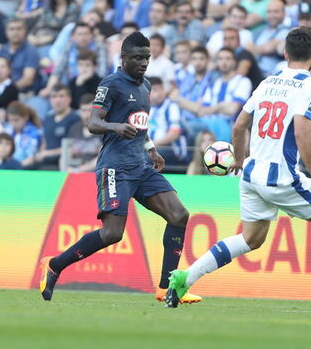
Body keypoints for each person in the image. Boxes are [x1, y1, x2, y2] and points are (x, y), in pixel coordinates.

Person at [166, 26, 311, 311]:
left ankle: (185, 278)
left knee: (251, 238)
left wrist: (239, 161)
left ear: (286, 53)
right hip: (282, 178)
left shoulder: (268, 82)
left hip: (252, 175)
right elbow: (303, 131)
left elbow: (239, 125)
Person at [38, 31, 200, 305]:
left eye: (147, 58)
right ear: (123, 57)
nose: (144, 63)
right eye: (138, 58)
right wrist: (113, 126)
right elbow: (93, 122)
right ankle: (54, 264)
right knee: (112, 233)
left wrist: (150, 149)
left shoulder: (146, 86)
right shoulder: (111, 84)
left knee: (179, 215)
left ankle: (166, 288)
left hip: (141, 165)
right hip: (115, 167)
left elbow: (140, 125)